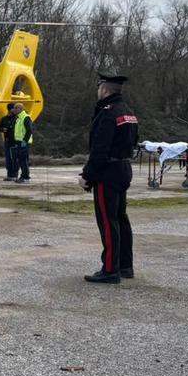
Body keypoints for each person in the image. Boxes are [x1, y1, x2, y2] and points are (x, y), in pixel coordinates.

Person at [78, 73, 140, 283]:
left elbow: (100, 149)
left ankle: (110, 269)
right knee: (121, 218)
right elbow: (134, 140)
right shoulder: (128, 112)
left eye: (99, 88)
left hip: (108, 172)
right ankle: (125, 266)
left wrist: (87, 176)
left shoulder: (107, 113)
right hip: (123, 168)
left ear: (104, 90)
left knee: (107, 221)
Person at [10, 102, 33, 183]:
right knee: (20, 160)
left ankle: (25, 177)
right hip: (19, 142)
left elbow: (29, 130)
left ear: (20, 109)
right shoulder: (18, 118)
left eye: (15, 108)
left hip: (24, 143)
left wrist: (24, 141)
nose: (14, 110)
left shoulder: (26, 117)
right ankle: (23, 176)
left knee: (23, 160)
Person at [0, 103, 17, 181]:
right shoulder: (4, 119)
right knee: (8, 159)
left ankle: (15, 175)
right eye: (13, 108)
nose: (15, 110)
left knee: (15, 158)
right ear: (9, 109)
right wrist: (3, 129)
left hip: (16, 141)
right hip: (8, 141)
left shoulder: (17, 118)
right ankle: (9, 175)